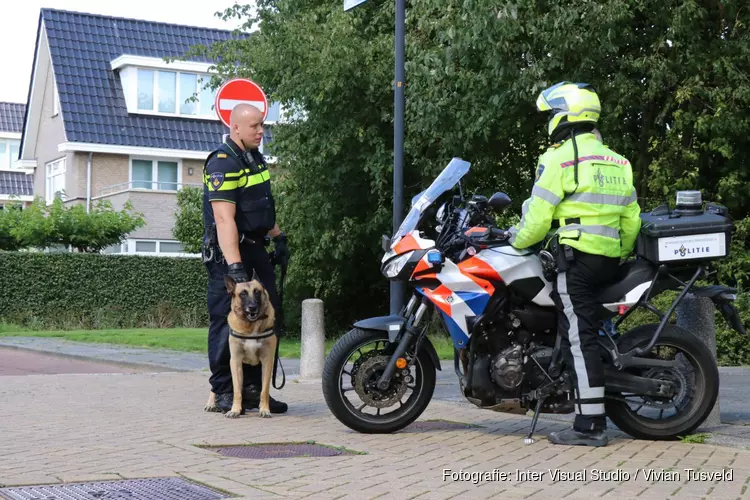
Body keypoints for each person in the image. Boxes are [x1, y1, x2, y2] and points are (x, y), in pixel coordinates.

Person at [507, 82, 641, 447]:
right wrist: (617, 251)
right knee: (582, 331)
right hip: (609, 260)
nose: (549, 121)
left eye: (551, 114)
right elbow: (631, 222)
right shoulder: (618, 161)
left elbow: (536, 219)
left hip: (578, 261)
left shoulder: (559, 158)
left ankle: (590, 425)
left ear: (564, 116)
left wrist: (515, 241)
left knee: (579, 338)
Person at [201, 103, 290, 415]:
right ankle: (223, 390)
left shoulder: (254, 159)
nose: (261, 131)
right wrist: (236, 267)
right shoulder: (223, 162)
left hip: (255, 246)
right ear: (235, 127)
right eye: (254, 126)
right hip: (230, 250)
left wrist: (278, 237)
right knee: (228, 320)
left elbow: (262, 207)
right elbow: (224, 220)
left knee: (266, 312)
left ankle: (255, 391)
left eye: (262, 124)